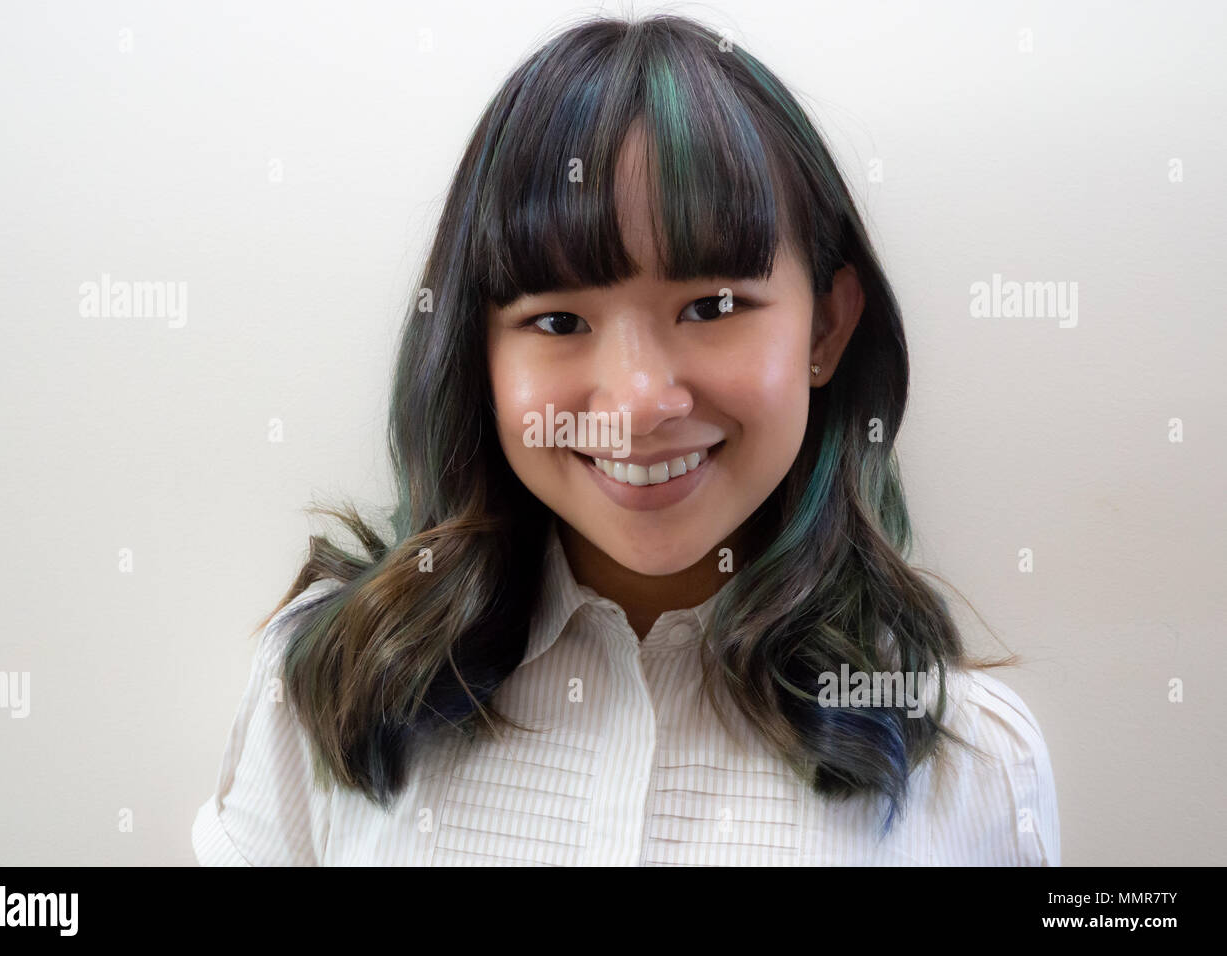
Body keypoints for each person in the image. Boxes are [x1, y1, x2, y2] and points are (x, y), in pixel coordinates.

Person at [192, 13, 1059, 866]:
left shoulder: (973, 759)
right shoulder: (328, 684)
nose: (639, 403)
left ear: (825, 330)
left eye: (713, 307)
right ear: (477, 352)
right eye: (559, 319)